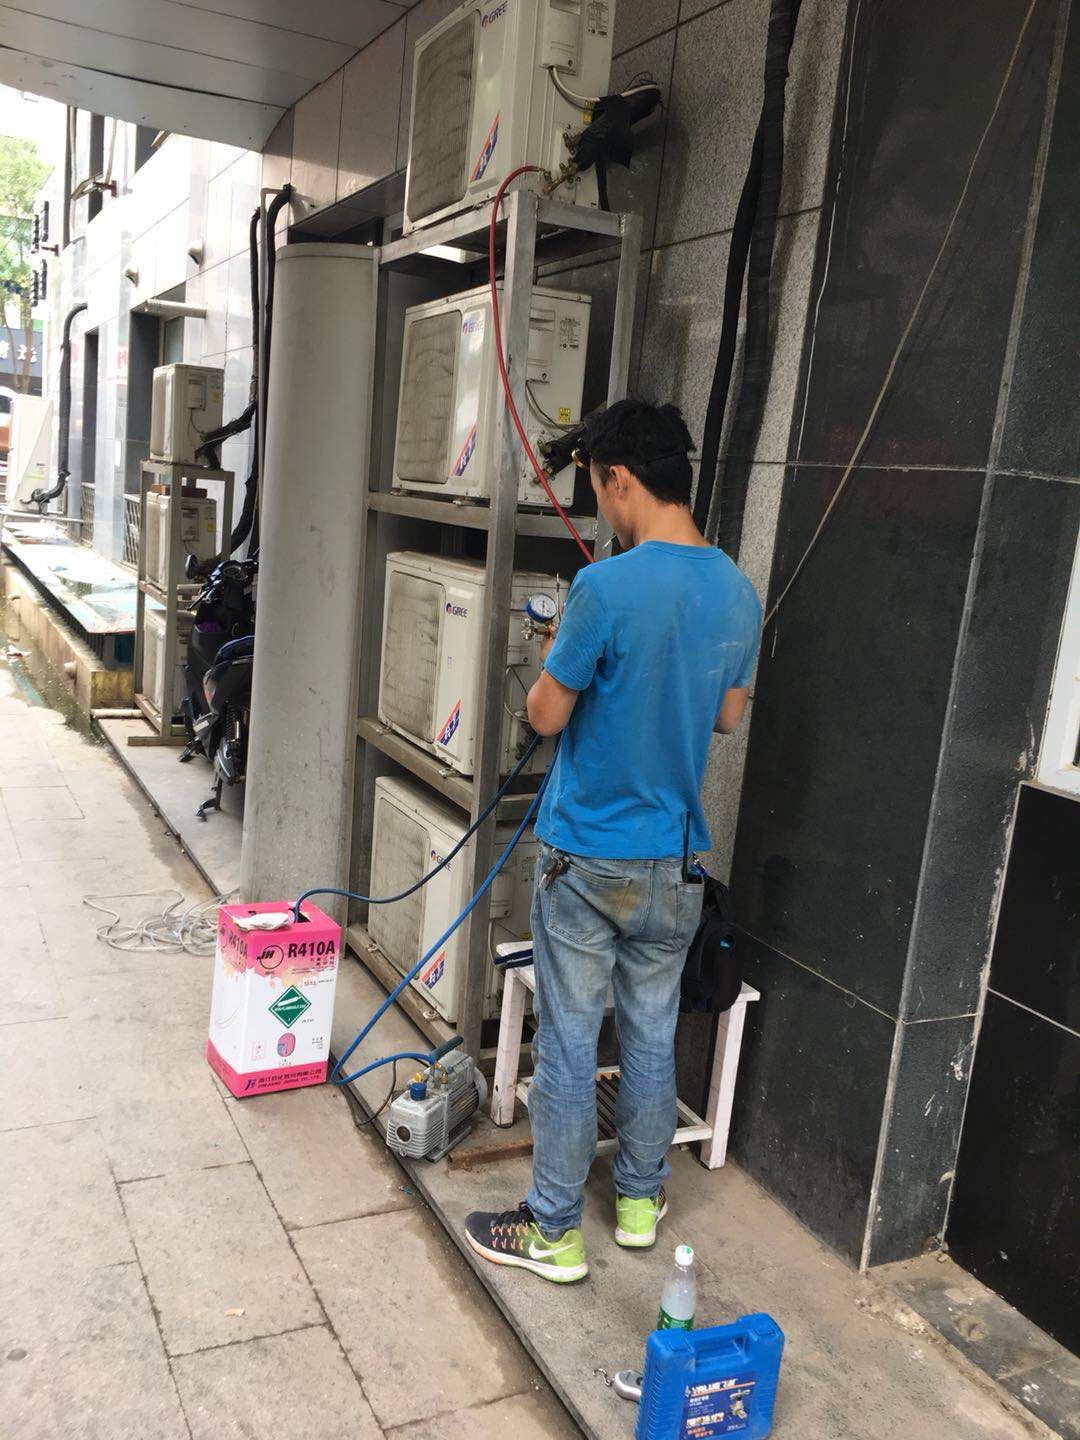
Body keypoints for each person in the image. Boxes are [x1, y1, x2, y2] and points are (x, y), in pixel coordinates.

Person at [464, 399, 761, 1284]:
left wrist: (563, 648)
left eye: (598, 488)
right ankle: (637, 1201)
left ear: (621, 478)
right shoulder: (737, 591)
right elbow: (726, 717)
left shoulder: (603, 587)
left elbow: (545, 714)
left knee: (567, 1044)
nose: (600, 507)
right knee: (650, 1034)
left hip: (588, 857)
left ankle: (553, 1230)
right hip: (675, 864)